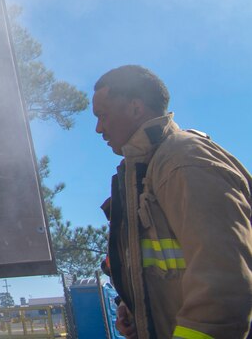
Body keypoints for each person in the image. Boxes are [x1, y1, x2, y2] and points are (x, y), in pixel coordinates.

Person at [92, 65, 252, 339]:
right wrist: (137, 310)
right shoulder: (148, 171)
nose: (98, 129)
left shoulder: (183, 161)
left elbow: (225, 282)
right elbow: (172, 272)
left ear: (135, 107)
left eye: (103, 116)